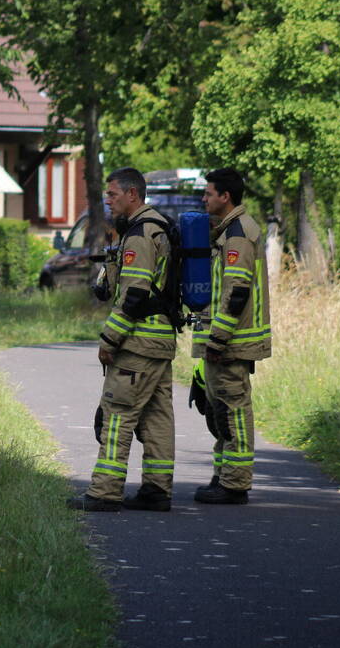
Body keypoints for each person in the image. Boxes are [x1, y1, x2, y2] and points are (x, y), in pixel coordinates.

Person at [67, 167, 177, 512]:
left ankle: (104, 492)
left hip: (138, 341)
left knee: (118, 413)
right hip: (160, 339)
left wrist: (109, 340)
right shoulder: (157, 226)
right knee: (157, 416)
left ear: (133, 194)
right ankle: (157, 490)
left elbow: (134, 295)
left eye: (113, 194)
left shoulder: (142, 234)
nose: (108, 200)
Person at [192, 168, 271, 504]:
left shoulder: (237, 234)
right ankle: (224, 477)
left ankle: (235, 485)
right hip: (229, 342)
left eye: (209, 193)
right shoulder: (229, 231)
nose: (204, 198)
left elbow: (236, 292)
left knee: (232, 411)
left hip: (232, 344)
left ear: (225, 197)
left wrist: (218, 338)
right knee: (221, 411)